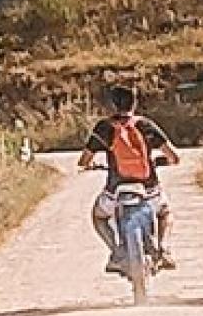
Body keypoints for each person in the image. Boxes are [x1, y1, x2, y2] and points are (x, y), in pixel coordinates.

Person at [77, 86, 180, 273]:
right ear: (134, 104)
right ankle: (164, 249)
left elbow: (84, 160)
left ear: (112, 105)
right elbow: (174, 157)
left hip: (115, 191)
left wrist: (91, 165)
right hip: (149, 189)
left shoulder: (104, 128)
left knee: (98, 216)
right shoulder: (146, 125)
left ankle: (117, 253)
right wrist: (162, 161)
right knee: (165, 212)